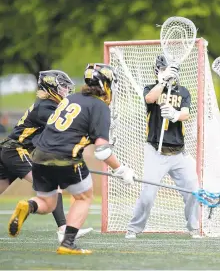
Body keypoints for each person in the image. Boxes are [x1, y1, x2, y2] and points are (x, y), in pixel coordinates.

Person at [8, 64, 135, 255]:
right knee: (83, 197)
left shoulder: (70, 99)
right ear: (105, 85)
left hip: (40, 155)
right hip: (66, 156)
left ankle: (29, 205)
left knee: (48, 203)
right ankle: (67, 243)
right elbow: (102, 151)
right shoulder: (99, 106)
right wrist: (121, 170)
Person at [0, 70, 92, 242]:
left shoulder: (47, 106)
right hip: (16, 151)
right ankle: (64, 229)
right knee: (52, 186)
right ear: (51, 88)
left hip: (11, 151)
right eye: (63, 87)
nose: (66, 90)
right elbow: (63, 131)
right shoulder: (46, 108)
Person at [126, 54, 199, 239]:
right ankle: (134, 228)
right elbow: (150, 99)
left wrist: (174, 114)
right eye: (162, 70)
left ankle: (194, 227)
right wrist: (163, 81)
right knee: (148, 194)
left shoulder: (183, 91)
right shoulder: (151, 88)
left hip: (178, 152)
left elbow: (185, 114)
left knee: (193, 190)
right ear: (157, 71)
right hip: (155, 151)